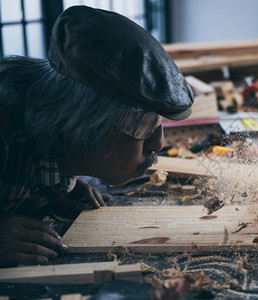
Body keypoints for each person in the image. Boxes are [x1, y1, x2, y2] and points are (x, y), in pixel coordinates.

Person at [0, 5, 193, 267]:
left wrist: (54, 184)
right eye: (142, 123)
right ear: (80, 116)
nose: (158, 143)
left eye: (158, 122)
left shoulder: (54, 145)